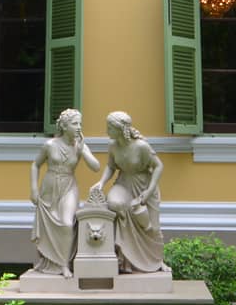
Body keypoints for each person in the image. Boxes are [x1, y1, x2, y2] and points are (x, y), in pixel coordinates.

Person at [89, 110, 166, 273]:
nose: (106, 131)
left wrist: (149, 190)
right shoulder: (112, 146)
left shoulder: (141, 146)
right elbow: (111, 166)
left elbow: (158, 166)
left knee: (152, 228)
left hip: (144, 186)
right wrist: (101, 183)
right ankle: (125, 259)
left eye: (109, 128)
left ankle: (157, 261)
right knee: (114, 203)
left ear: (119, 129)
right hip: (123, 183)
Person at [29, 107, 101, 276]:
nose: (78, 127)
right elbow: (35, 165)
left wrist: (83, 150)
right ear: (64, 126)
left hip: (69, 185)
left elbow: (96, 167)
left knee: (67, 224)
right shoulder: (50, 145)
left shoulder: (80, 146)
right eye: (75, 124)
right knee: (50, 224)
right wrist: (33, 189)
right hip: (50, 185)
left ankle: (63, 264)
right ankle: (48, 262)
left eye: (80, 124)